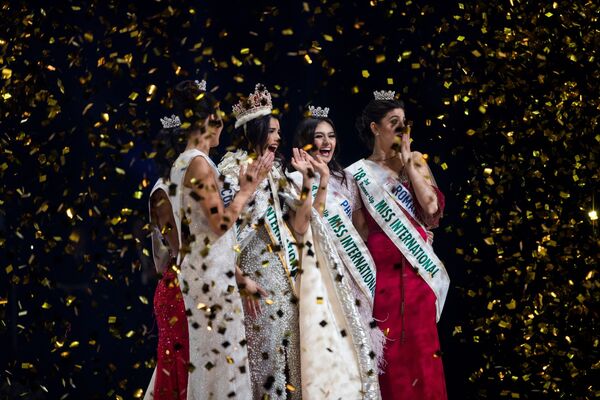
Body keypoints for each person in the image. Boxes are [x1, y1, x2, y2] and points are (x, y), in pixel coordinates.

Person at [163, 79, 272, 399]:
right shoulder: (197, 163)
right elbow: (220, 224)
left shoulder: (182, 163)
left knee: (215, 361)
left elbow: (204, 237)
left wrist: (239, 278)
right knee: (222, 364)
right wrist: (246, 191)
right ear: (207, 121)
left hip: (207, 273)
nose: (223, 125)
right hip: (209, 281)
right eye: (219, 117)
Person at [346, 90, 450, 400]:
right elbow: (359, 230)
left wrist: (407, 164)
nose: (402, 129)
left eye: (404, 123)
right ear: (375, 128)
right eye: (394, 122)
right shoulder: (357, 174)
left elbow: (431, 211)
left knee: (424, 361)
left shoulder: (415, 161)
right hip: (382, 283)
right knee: (393, 368)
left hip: (419, 277)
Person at [219, 84, 314, 399]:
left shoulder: (279, 172)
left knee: (292, 358)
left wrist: (310, 184)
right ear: (254, 131)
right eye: (271, 131)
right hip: (252, 274)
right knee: (264, 361)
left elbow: (299, 226)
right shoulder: (229, 170)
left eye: (278, 132)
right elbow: (220, 232)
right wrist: (236, 275)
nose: (277, 138)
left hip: (284, 274)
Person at [290, 105, 386, 369]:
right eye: (319, 136)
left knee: (357, 350)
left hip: (350, 269)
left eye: (331, 136)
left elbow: (361, 229)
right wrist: (318, 179)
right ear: (305, 141)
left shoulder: (346, 179)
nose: (326, 142)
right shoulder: (293, 179)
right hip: (317, 270)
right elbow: (309, 224)